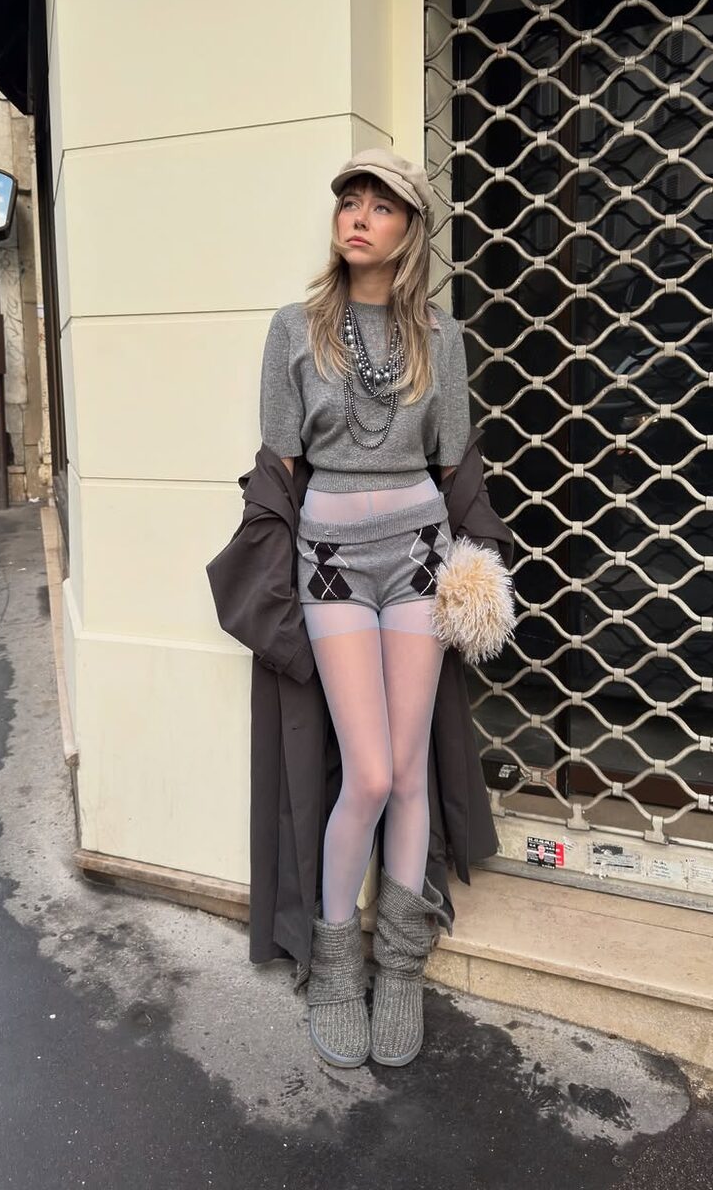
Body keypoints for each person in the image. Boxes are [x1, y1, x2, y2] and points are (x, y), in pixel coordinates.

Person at [252, 150, 477, 1069]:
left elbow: (452, 460)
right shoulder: (295, 328)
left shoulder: (440, 336)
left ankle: (402, 968)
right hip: (333, 559)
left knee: (412, 771)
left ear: (409, 231)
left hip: (419, 553)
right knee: (372, 774)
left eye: (381, 207)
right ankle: (338, 961)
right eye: (350, 200)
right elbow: (278, 462)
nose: (358, 216)